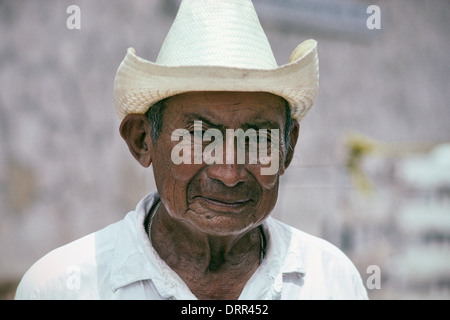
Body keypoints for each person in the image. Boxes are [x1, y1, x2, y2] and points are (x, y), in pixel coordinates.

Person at [15, 0, 368, 300]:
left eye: (258, 138)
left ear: (286, 151)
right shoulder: (61, 288)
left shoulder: (333, 282)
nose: (229, 173)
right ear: (142, 141)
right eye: (200, 136)